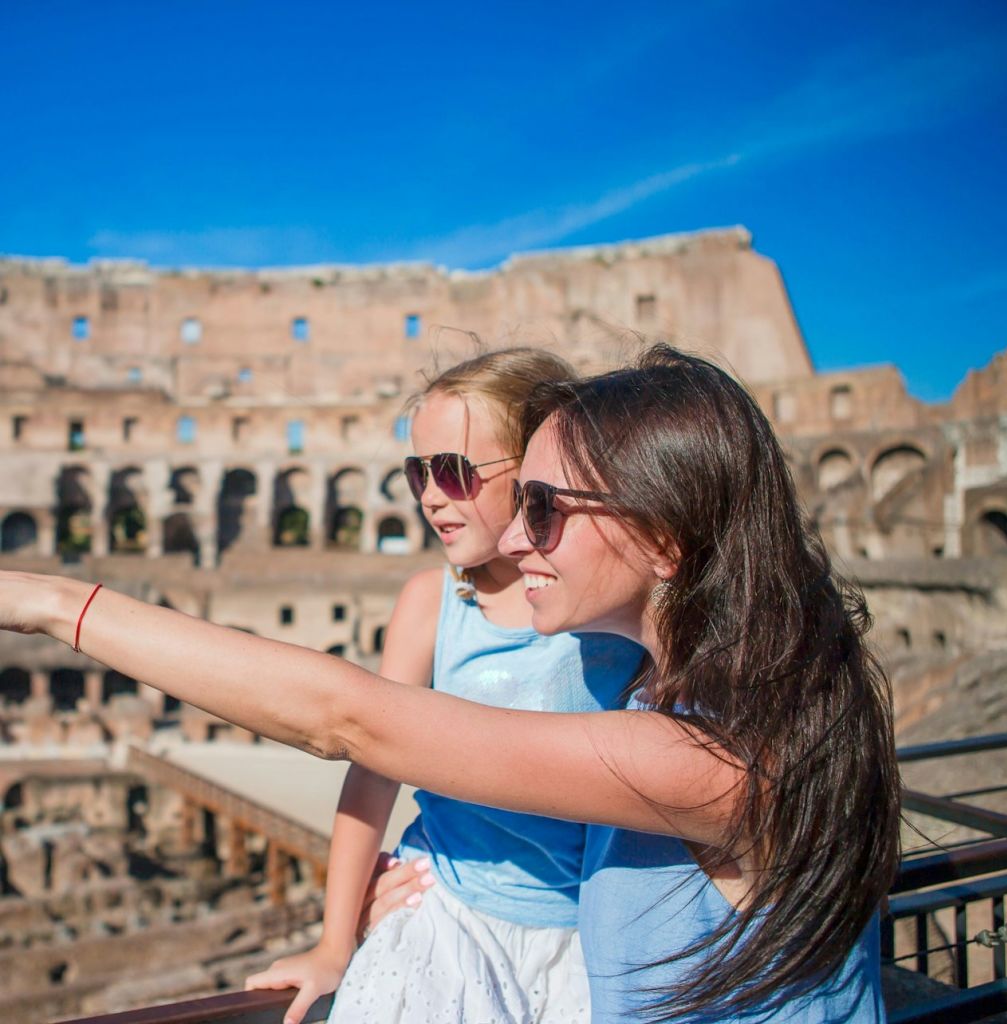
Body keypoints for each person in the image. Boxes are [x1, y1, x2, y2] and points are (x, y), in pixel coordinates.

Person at [0, 345, 900, 1022]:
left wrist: (53, 604)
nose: (510, 541)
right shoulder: (723, 701)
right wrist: (423, 882)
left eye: (542, 509)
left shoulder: (721, 759)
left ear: (663, 540)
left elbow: (349, 721)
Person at [249, 347, 644, 1024]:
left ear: (536, 472)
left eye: (455, 472)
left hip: (589, 928)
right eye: (418, 472)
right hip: (450, 906)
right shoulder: (432, 605)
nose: (432, 494)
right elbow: (371, 771)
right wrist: (334, 942)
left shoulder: (608, 608)